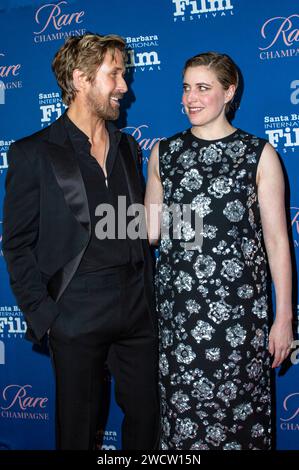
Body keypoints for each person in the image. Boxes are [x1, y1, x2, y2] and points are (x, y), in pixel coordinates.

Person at [3, 33, 159, 450]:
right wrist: (47, 316)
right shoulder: (32, 153)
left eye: (123, 74)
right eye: (115, 75)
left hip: (137, 307)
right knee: (78, 430)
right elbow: (16, 244)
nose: (124, 87)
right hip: (76, 310)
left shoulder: (127, 146)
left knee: (148, 422)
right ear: (80, 79)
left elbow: (134, 224)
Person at [145, 52, 294, 450]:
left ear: (229, 92)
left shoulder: (258, 155)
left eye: (203, 88)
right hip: (178, 319)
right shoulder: (165, 153)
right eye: (186, 87)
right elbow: (150, 232)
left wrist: (283, 318)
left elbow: (278, 241)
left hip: (240, 321)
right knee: (182, 429)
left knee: (241, 423)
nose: (190, 98)